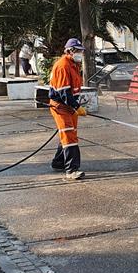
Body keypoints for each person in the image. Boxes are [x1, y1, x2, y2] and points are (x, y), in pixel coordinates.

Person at [48, 38, 88, 180]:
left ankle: (59, 162)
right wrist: (77, 107)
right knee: (69, 137)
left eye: (81, 51)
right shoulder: (63, 66)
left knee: (68, 135)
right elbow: (64, 92)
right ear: (70, 51)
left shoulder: (74, 64)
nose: (80, 54)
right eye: (78, 51)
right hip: (61, 107)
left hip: (69, 107)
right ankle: (71, 170)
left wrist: (76, 105)